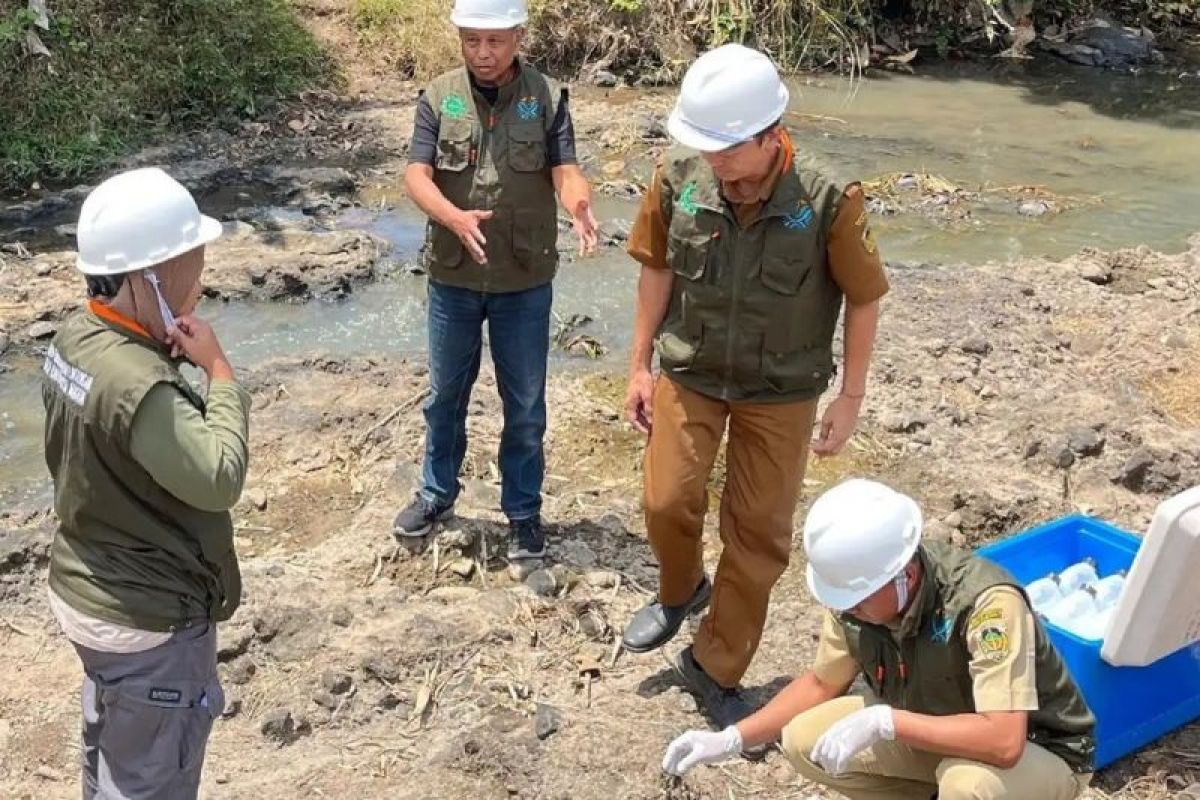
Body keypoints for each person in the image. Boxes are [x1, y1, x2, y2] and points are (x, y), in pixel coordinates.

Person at [620, 43, 888, 730]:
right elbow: (656, 268)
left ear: (769, 137)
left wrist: (850, 396)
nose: (713, 162)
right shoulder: (679, 174)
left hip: (782, 389)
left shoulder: (828, 198)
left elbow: (863, 298)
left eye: (726, 150)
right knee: (665, 498)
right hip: (693, 369)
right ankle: (682, 588)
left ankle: (715, 664)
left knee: (759, 534)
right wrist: (638, 363)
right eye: (704, 147)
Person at [662, 479, 1096, 800]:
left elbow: (1003, 741)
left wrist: (887, 722)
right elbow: (820, 683)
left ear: (905, 575)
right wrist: (733, 738)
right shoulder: (857, 597)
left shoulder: (986, 606)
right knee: (804, 740)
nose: (850, 610)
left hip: (1039, 753)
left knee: (968, 785)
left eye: (859, 601)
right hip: (937, 726)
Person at [42, 167, 248, 798]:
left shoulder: (77, 336)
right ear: (148, 276)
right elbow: (219, 477)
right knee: (151, 777)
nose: (202, 272)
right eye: (194, 257)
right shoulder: (138, 382)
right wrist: (219, 373)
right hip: (147, 619)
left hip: (88, 589)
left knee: (114, 750)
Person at [393, 0, 597, 562]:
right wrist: (452, 217)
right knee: (444, 396)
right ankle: (436, 494)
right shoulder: (438, 96)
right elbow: (416, 173)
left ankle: (524, 513)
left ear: (518, 36)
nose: (484, 54)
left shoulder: (547, 98)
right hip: (453, 277)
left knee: (526, 403)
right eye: (473, 41)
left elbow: (566, 168)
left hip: (524, 279)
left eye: (496, 42)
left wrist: (579, 205)